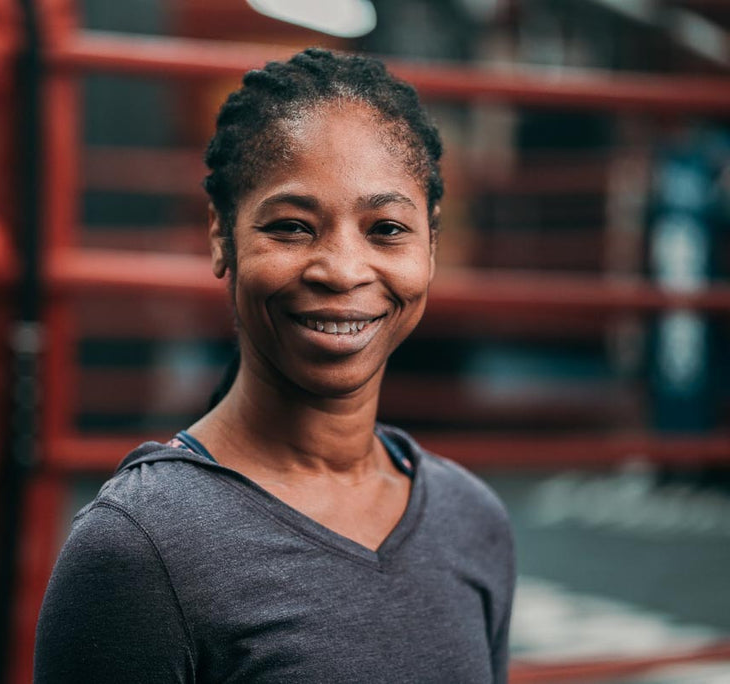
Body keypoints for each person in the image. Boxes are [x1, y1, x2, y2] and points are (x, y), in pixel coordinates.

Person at [34, 47, 514, 683]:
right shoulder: (141, 548)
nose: (342, 270)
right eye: (291, 227)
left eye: (388, 229)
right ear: (221, 236)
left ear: (432, 244)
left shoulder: (471, 519)